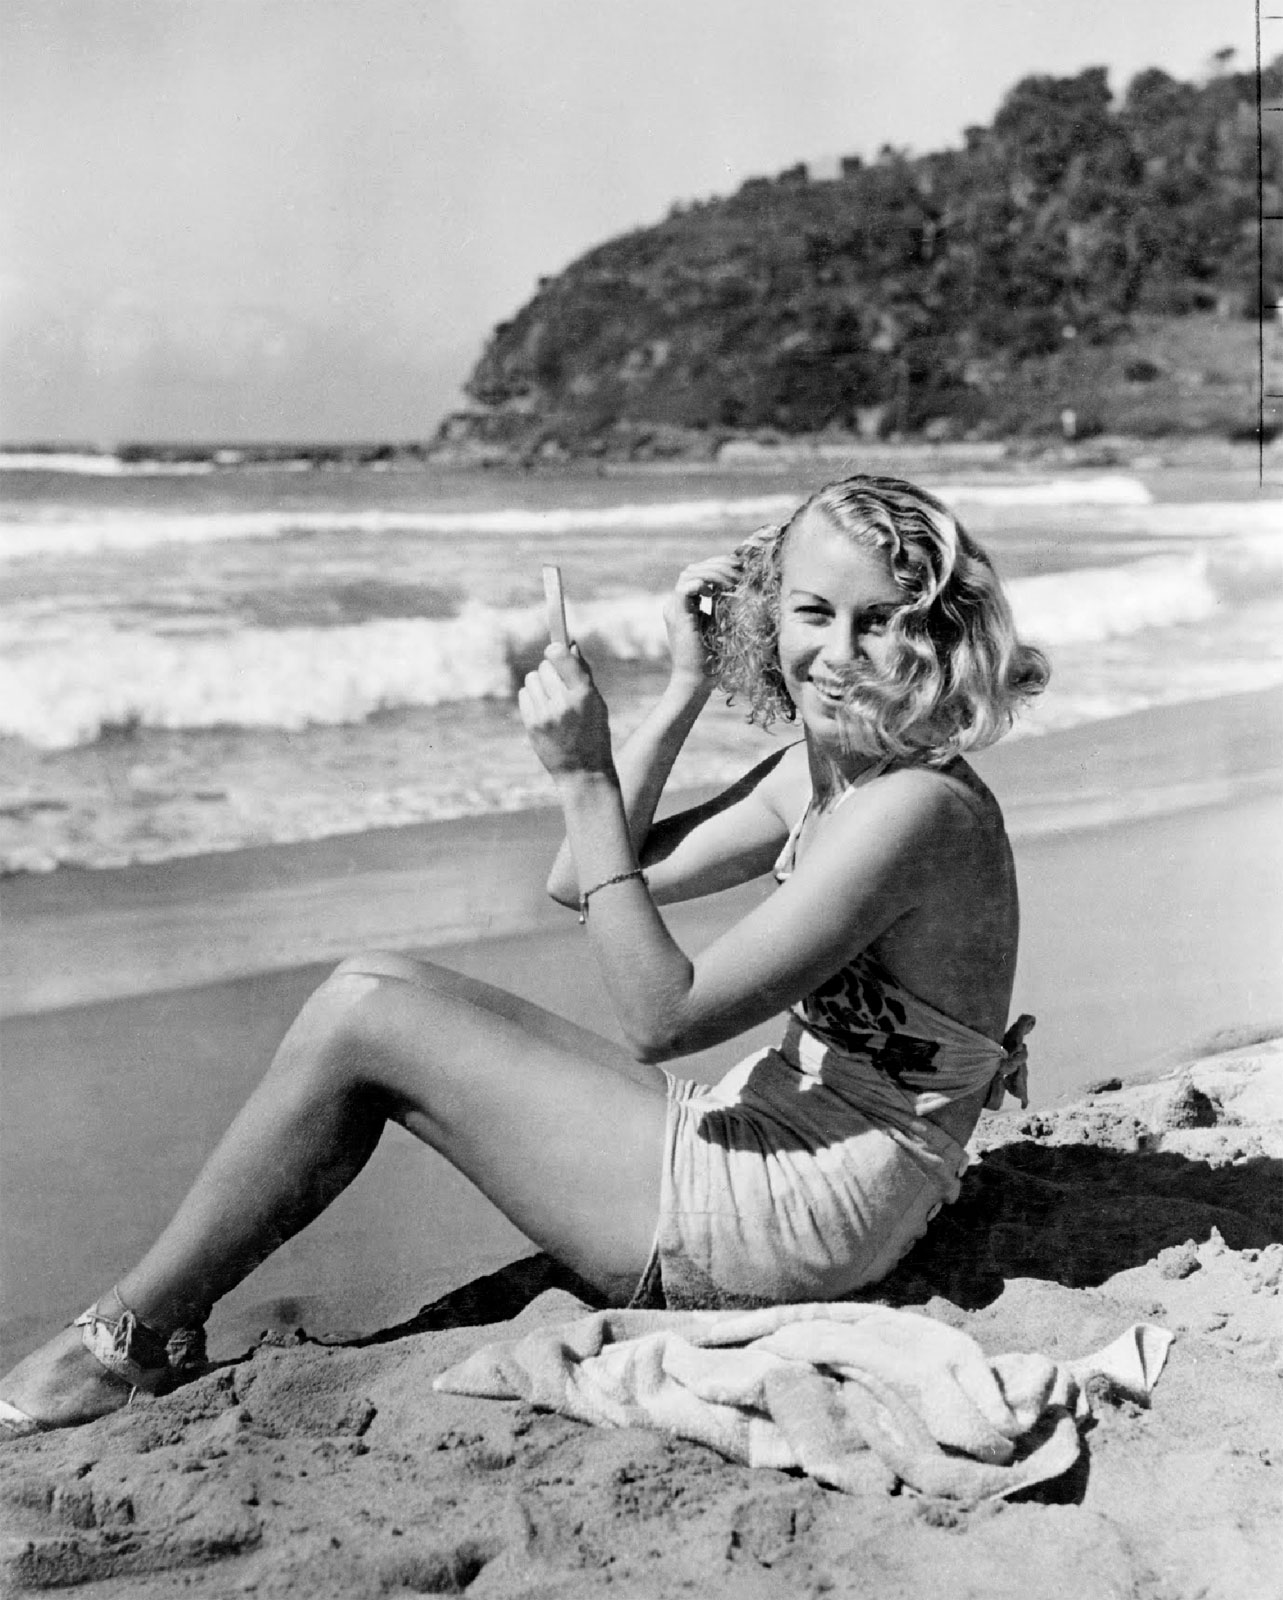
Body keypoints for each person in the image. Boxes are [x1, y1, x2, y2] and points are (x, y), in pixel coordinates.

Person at [0, 473, 1048, 1436]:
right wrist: (684, 687)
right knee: (373, 983)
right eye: (813, 613)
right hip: (794, 1154)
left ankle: (124, 1345)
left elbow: (660, 1017)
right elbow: (581, 875)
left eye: (879, 621)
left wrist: (583, 773)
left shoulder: (911, 809)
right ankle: (151, 1328)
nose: (838, 651)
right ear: (771, 617)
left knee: (365, 1018)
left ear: (932, 637)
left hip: (799, 1221)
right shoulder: (827, 773)